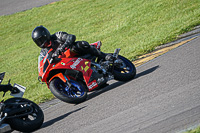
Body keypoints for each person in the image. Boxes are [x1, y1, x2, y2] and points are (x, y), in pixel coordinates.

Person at [31, 25, 113, 61]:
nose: (41, 43)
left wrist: (63, 47)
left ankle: (104, 56)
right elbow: (43, 62)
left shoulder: (57, 36)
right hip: (66, 62)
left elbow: (71, 37)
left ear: (46, 35)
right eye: (38, 42)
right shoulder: (43, 52)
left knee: (79, 45)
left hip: (76, 53)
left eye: (41, 40)